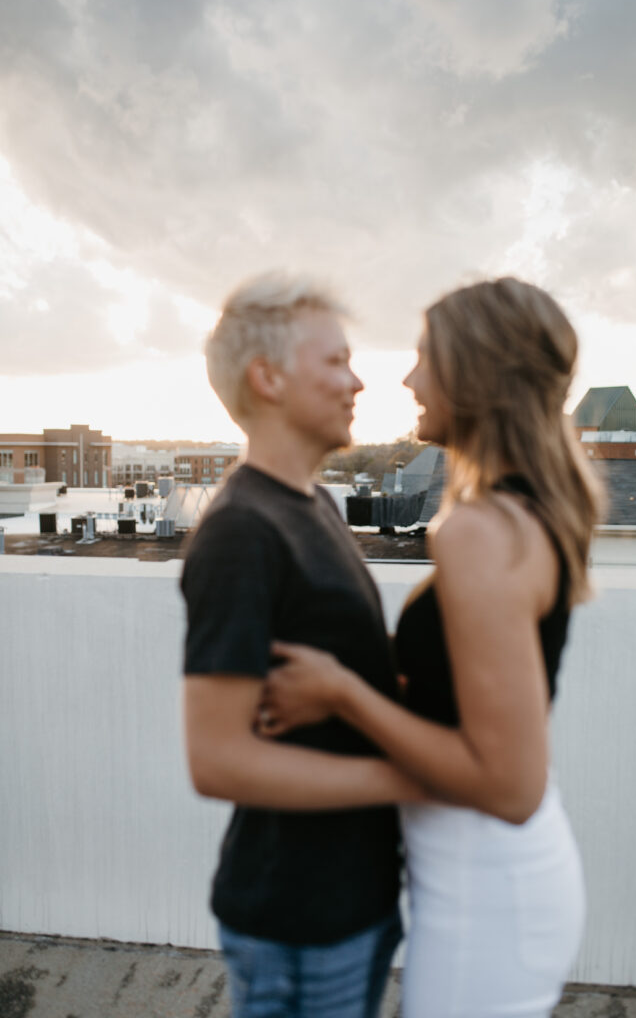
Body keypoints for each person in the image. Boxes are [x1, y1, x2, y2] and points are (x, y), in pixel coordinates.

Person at [257, 277, 604, 1018]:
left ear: (478, 370)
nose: (409, 377)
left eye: (425, 358)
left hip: (485, 883)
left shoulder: (481, 531)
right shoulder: (520, 514)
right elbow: (459, 691)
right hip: (482, 874)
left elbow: (509, 787)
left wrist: (340, 691)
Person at [180, 272, 426, 1018]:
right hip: (298, 916)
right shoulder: (240, 533)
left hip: (357, 896)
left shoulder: (312, 503)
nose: (356, 381)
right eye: (336, 361)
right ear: (269, 377)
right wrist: (416, 780)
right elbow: (218, 760)